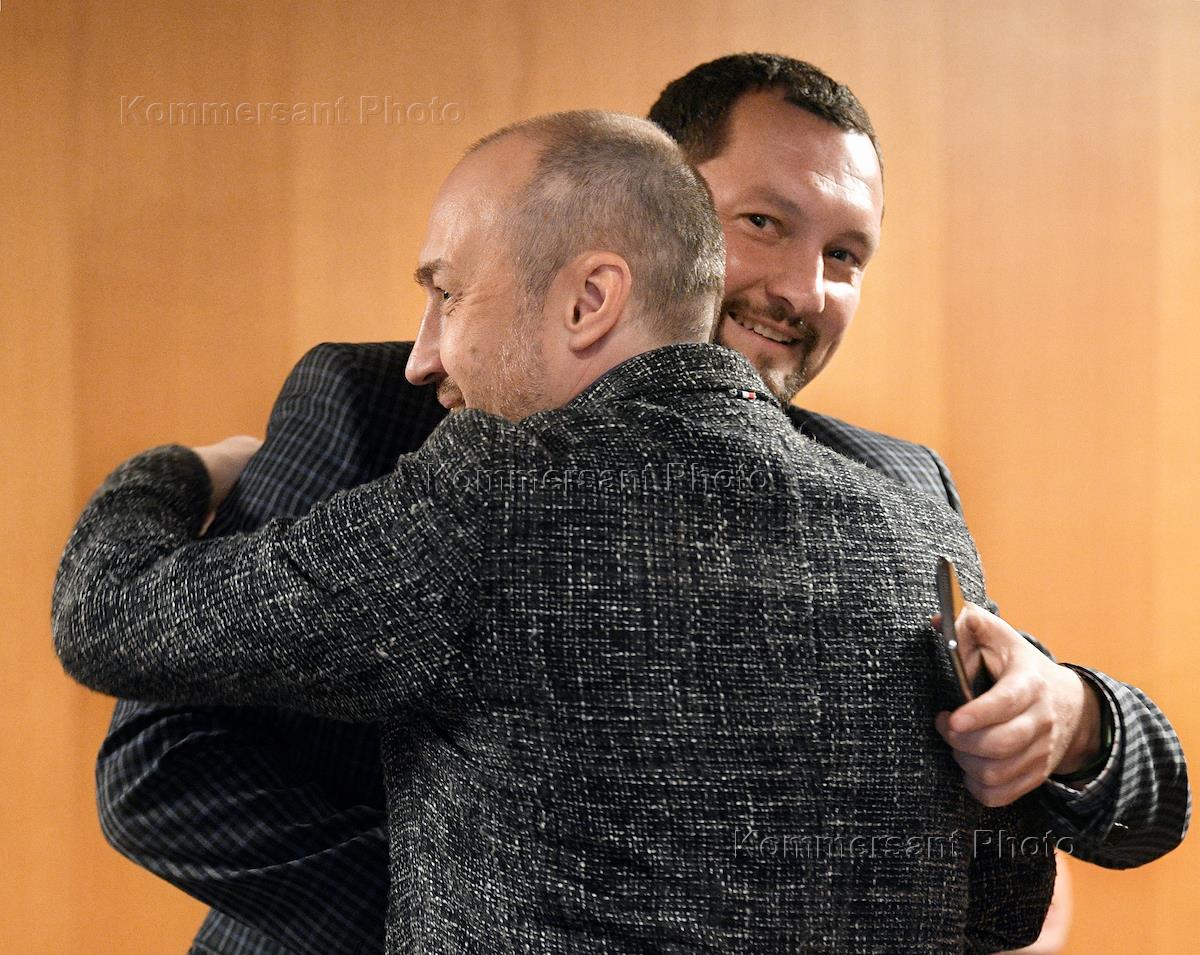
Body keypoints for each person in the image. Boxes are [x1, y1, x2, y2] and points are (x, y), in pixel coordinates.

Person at [93, 56, 1188, 955]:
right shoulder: (385, 408)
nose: (804, 290)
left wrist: (1071, 716)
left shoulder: (899, 489)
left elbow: (1098, 829)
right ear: (659, 206)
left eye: (846, 255)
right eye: (765, 222)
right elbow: (164, 769)